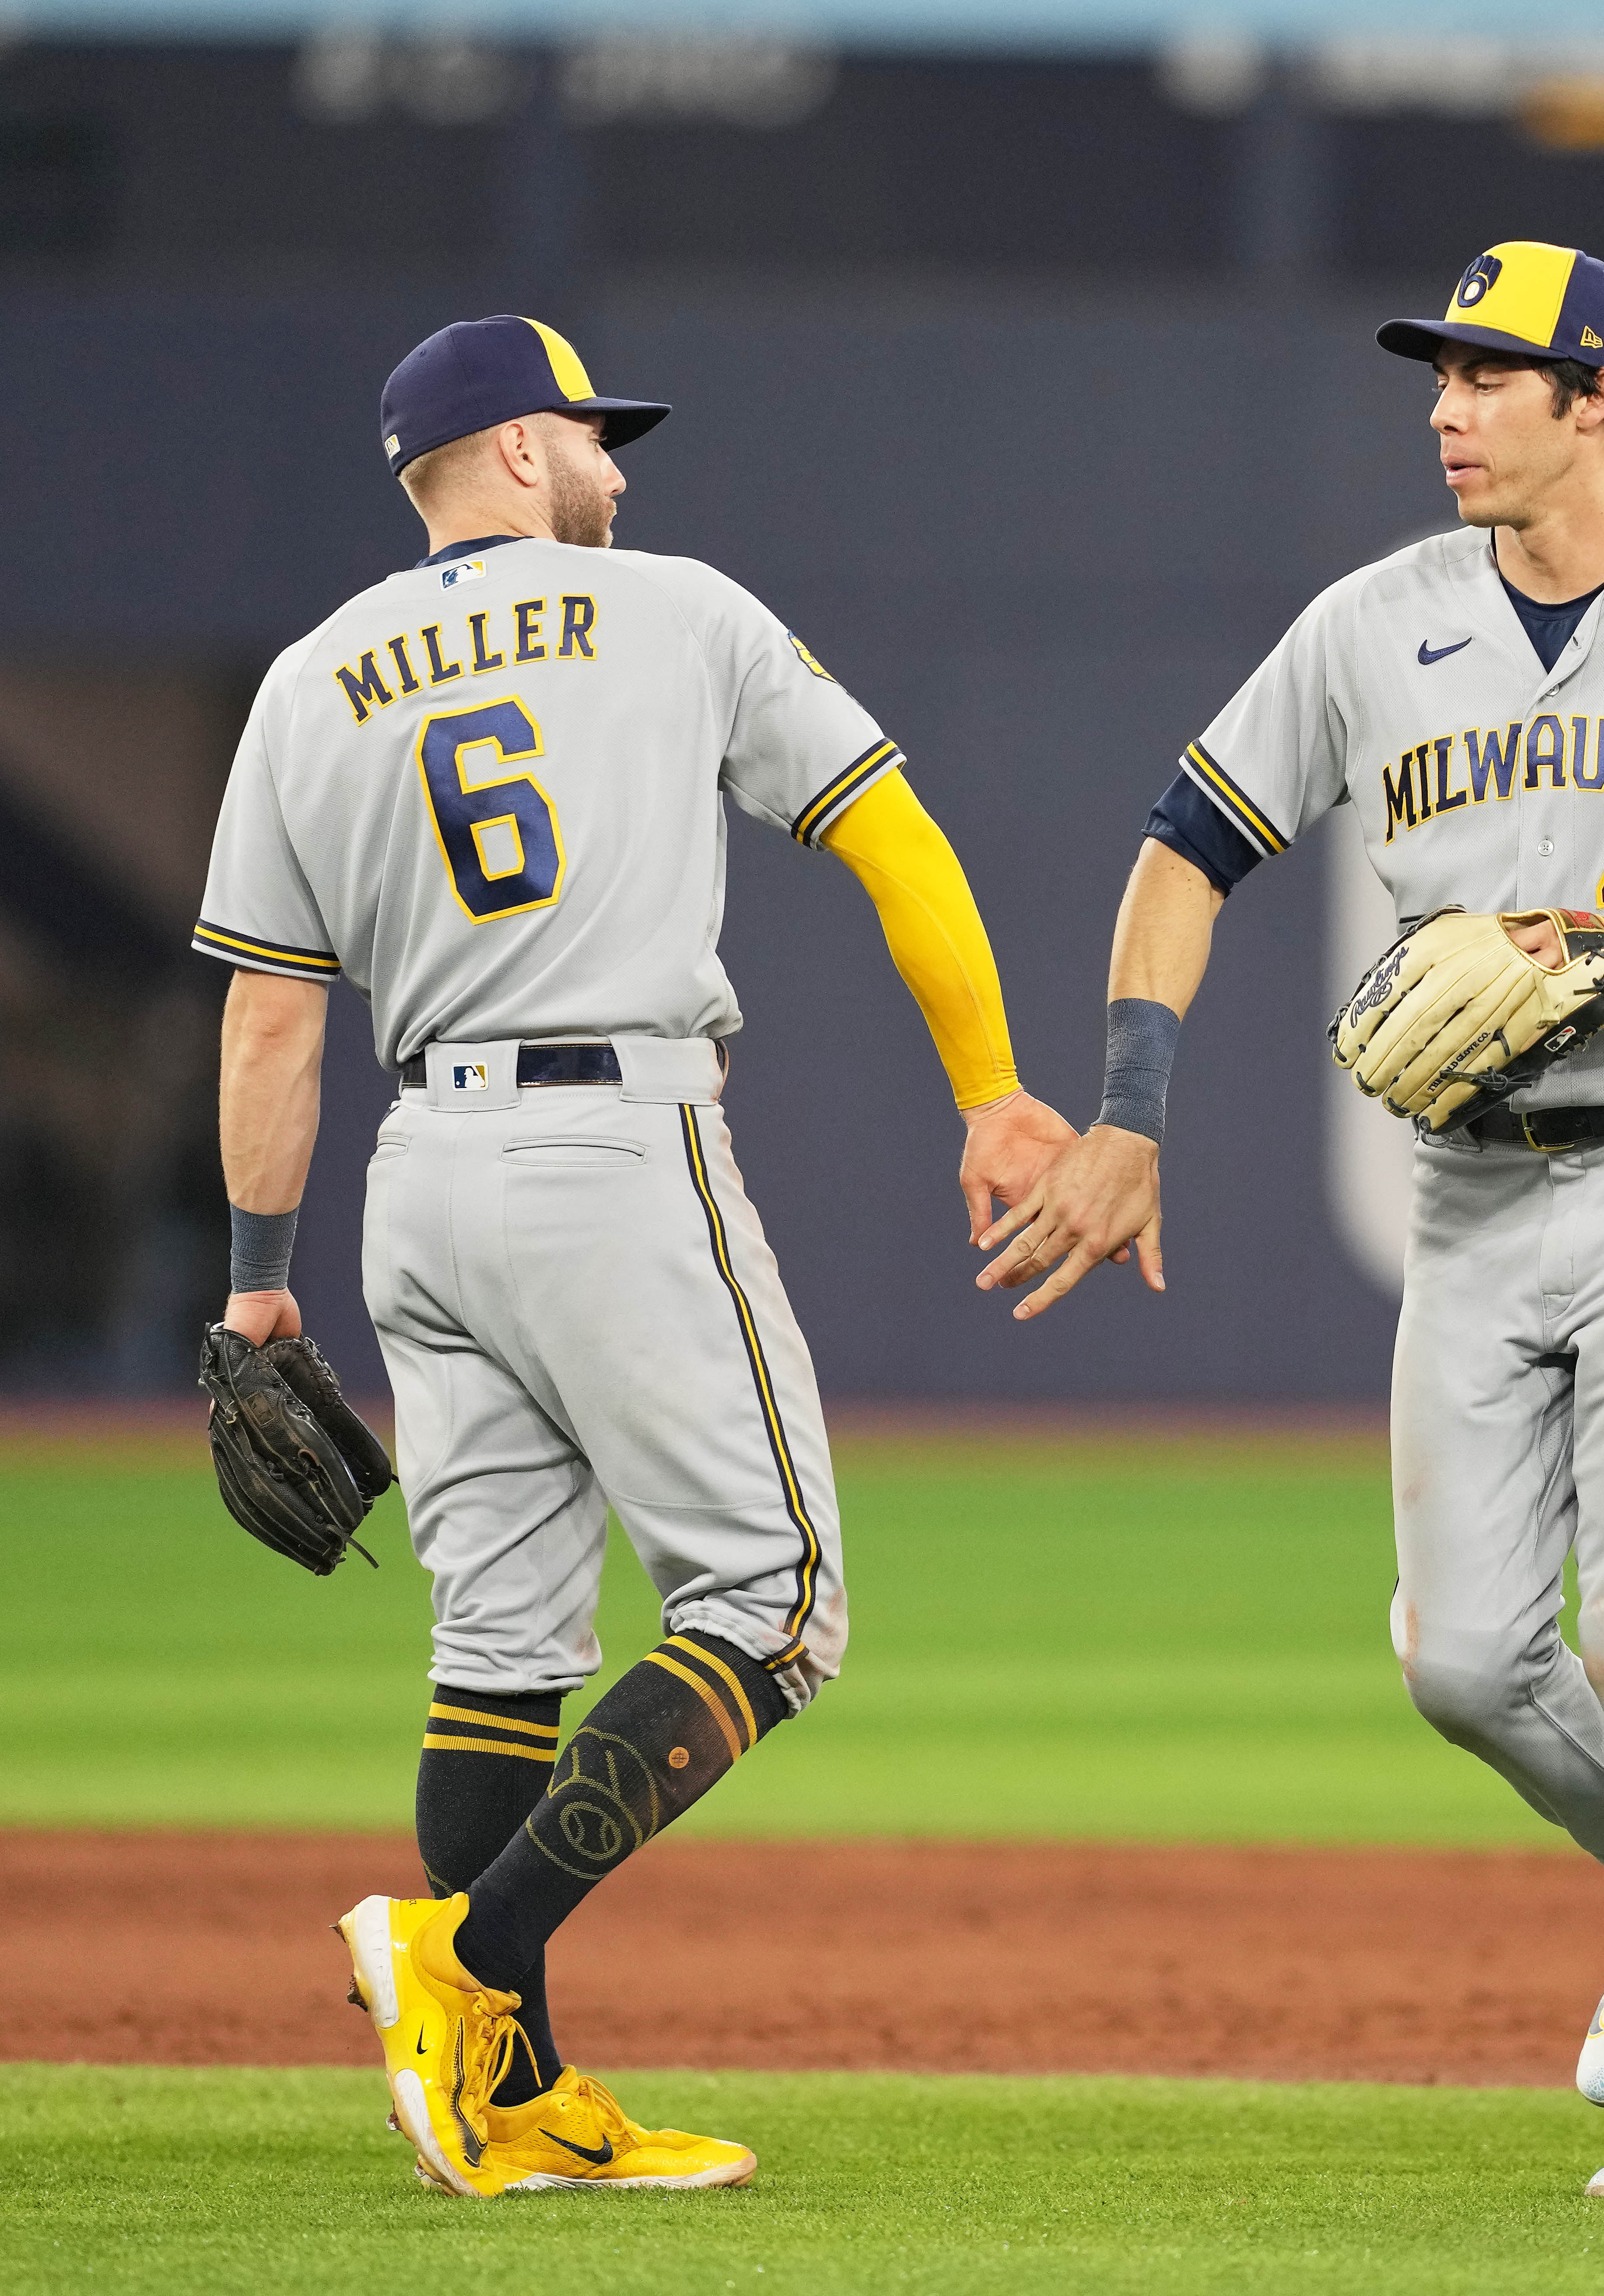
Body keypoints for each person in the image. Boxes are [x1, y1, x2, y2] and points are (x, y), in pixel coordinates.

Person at [975, 241, 1604, 2199]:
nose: (1444, 405)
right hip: (1476, 1182)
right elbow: (1191, 846)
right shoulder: (1373, 625)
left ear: (1599, 399)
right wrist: (1132, 1114)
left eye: (1491, 374)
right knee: (1463, 1657)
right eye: (1437, 373)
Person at [195, 314, 1069, 2195]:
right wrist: (993, 1088)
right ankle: (469, 1959)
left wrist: (260, 1275)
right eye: (593, 434)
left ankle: (507, 2092)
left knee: (500, 1643)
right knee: (774, 1602)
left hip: (417, 1171)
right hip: (615, 1136)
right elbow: (889, 831)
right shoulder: (675, 609)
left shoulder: (306, 679)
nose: (619, 465)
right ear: (516, 450)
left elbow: (272, 1025)